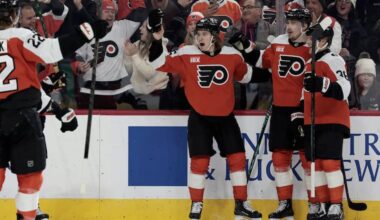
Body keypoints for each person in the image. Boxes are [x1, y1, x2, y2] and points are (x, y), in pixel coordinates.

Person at [147, 9, 262, 220]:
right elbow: (158, 64)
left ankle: (241, 203)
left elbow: (248, 76)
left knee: (237, 159)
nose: (200, 37)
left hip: (226, 116)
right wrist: (155, 37)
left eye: (205, 34)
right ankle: (196, 205)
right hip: (199, 117)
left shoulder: (232, 55)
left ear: (216, 36)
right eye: (198, 33)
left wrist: (279, 78)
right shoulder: (186, 53)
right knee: (199, 163)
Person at [0, 0, 107, 219]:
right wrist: (88, 31)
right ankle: (28, 214)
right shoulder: (20, 36)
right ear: (14, 15)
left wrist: (58, 110)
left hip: (17, 111)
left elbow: (30, 84)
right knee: (30, 176)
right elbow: (53, 51)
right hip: (23, 117)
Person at [229, 8, 315, 220]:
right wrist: (243, 44)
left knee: (308, 159)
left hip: (304, 110)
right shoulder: (278, 42)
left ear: (305, 26)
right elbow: (260, 60)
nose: (289, 26)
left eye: (294, 22)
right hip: (280, 110)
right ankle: (285, 203)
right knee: (279, 157)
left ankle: (315, 204)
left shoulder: (313, 47)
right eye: (289, 21)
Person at [302, 26, 351, 220]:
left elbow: (344, 88)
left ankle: (336, 206)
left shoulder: (334, 59)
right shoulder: (309, 63)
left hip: (332, 118)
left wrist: (323, 84)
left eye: (311, 39)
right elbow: (304, 94)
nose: (307, 42)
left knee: (330, 162)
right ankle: (320, 204)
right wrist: (299, 117)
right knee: (315, 165)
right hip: (311, 120)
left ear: (323, 41)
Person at [75, 0, 140, 109]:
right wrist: (79, 64)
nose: (110, 15)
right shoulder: (88, 30)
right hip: (91, 87)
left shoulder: (122, 27)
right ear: (98, 13)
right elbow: (78, 54)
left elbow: (139, 13)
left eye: (112, 12)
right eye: (107, 11)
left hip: (112, 88)